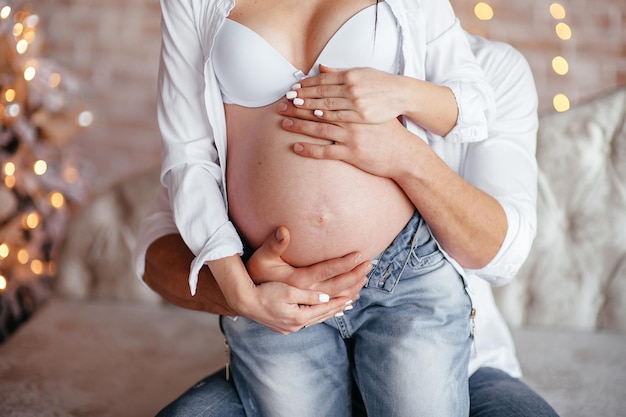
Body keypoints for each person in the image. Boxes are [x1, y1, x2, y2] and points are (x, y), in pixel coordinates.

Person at [134, 22, 561, 416]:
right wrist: (245, 292)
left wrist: (405, 155)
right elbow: (157, 246)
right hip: (285, 336)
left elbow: (503, 255)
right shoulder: (246, 67)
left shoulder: (493, 69)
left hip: (461, 363)